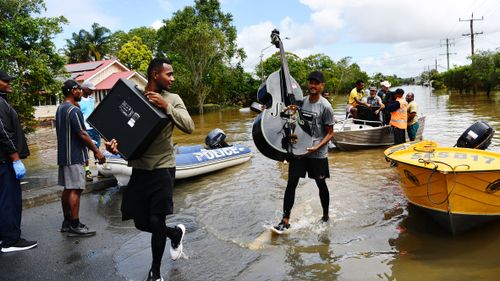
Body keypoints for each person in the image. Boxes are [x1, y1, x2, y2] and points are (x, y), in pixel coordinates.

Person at [106, 57, 195, 281]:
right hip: (139, 168)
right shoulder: (134, 97)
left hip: (163, 167)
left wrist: (166, 107)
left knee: (156, 220)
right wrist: (113, 145)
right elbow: (119, 129)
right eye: (169, 74)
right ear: (155, 75)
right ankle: (175, 233)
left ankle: (155, 273)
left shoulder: (172, 98)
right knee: (140, 221)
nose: (173, 78)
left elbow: (189, 126)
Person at [273, 70, 335, 234]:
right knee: (291, 183)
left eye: (316, 83)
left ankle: (326, 216)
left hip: (317, 153)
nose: (313, 85)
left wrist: (317, 146)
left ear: (322, 86)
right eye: (311, 82)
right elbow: (292, 121)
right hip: (300, 151)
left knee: (321, 184)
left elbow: (330, 132)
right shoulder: (300, 102)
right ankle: (285, 220)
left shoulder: (326, 106)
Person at [56, 79, 106, 237]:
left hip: (63, 155)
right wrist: (97, 151)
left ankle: (66, 222)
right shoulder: (73, 110)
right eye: (78, 89)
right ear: (72, 91)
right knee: (76, 190)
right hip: (75, 155)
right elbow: (83, 134)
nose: (81, 91)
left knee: (67, 189)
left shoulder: (61, 108)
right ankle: (75, 225)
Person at [0, 69, 37, 253]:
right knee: (10, 201)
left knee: (3, 200)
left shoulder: (3, 100)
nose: (9, 83)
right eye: (5, 80)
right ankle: (10, 240)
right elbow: (3, 132)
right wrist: (15, 158)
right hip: (5, 161)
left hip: (4, 161)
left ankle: (4, 236)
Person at [79, 80, 99, 182]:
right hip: (85, 129)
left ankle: (100, 170)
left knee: (97, 150)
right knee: (86, 152)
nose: (92, 91)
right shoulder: (79, 101)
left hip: (94, 129)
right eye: (90, 90)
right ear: (85, 89)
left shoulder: (91, 99)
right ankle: (87, 172)